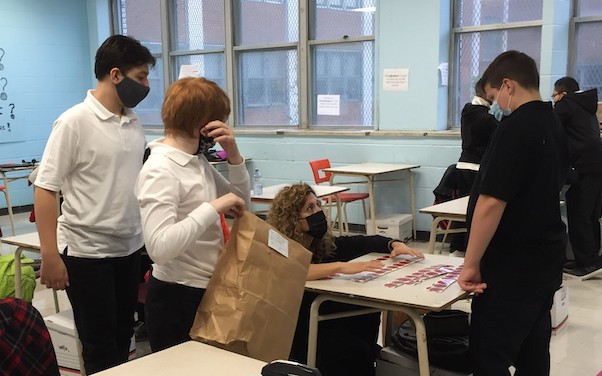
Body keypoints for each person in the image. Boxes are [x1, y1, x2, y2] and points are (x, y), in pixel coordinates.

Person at [34, 35, 155, 374]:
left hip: (128, 249)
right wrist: (49, 255)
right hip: (87, 254)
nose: (146, 85)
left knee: (122, 338)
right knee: (99, 346)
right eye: (141, 76)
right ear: (115, 74)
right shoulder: (73, 122)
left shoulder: (133, 121)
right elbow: (45, 189)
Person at [457, 51, 569, 376]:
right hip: (543, 260)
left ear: (507, 86)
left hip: (512, 267)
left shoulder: (516, 127)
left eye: (493, 98)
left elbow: (492, 202)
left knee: (489, 355)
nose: (495, 106)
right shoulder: (553, 122)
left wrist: (471, 263)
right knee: (533, 352)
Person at [134, 77, 249, 353]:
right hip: (177, 296)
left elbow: (241, 202)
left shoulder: (195, 161)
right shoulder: (160, 169)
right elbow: (159, 248)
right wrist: (213, 208)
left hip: (207, 288)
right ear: (204, 125)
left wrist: (233, 155)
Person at [267, 183, 423, 376]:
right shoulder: (279, 249)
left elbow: (363, 242)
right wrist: (342, 267)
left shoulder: (322, 246)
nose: (318, 212)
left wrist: (393, 244)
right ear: (292, 220)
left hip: (331, 324)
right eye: (309, 209)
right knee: (353, 347)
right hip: (302, 332)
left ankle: (365, 360)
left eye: (318, 205)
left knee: (368, 308)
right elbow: (292, 269)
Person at [553, 77, 602, 280]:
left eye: (554, 96)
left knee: (579, 213)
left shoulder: (566, 105)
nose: (554, 100)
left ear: (563, 94)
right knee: (591, 214)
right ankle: (589, 258)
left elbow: (549, 126)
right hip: (598, 161)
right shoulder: (585, 106)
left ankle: (588, 263)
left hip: (583, 164)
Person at [449, 78, 499, 254]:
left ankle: (458, 246)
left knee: (466, 210)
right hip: (476, 167)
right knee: (475, 212)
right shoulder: (485, 118)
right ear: (487, 94)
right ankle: (469, 249)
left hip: (463, 165)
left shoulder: (467, 111)